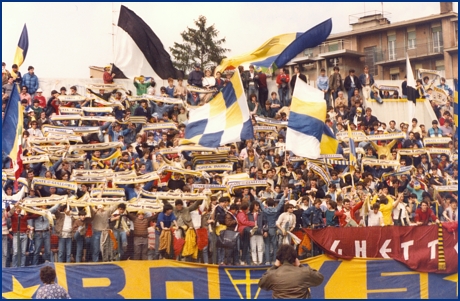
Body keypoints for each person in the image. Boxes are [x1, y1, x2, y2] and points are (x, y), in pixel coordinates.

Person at [258, 244, 324, 299]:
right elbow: (320, 278)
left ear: (279, 260)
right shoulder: (304, 272)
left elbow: (261, 283)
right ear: (295, 259)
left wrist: (274, 266)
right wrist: (300, 266)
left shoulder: (273, 274)